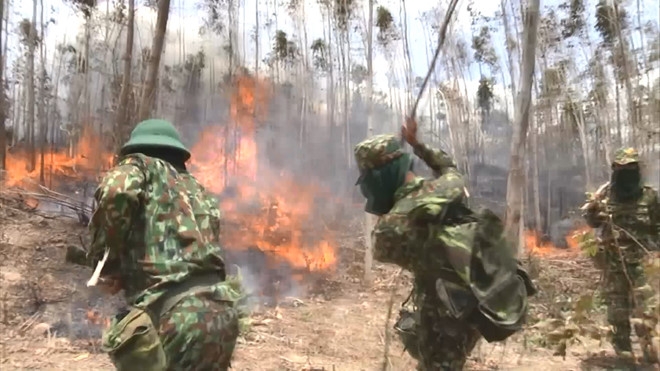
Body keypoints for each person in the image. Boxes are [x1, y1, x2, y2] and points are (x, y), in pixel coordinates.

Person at [354, 118, 536, 370]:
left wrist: (393, 211)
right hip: (477, 300)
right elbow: (449, 167)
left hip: (444, 316)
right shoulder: (447, 186)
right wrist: (417, 144)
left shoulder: (392, 226)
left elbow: (383, 249)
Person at [86, 118, 246, 371]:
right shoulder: (198, 190)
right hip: (222, 313)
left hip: (177, 317)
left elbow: (118, 191)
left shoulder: (139, 166)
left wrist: (106, 260)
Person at [582, 147, 659, 363]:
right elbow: (593, 222)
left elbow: (658, 226)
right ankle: (625, 358)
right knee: (617, 312)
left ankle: (649, 356)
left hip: (642, 264)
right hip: (613, 264)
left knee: (645, 312)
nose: (626, 172)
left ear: (637, 168)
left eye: (631, 167)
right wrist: (593, 206)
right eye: (622, 168)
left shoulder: (650, 196)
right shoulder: (606, 195)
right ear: (615, 169)